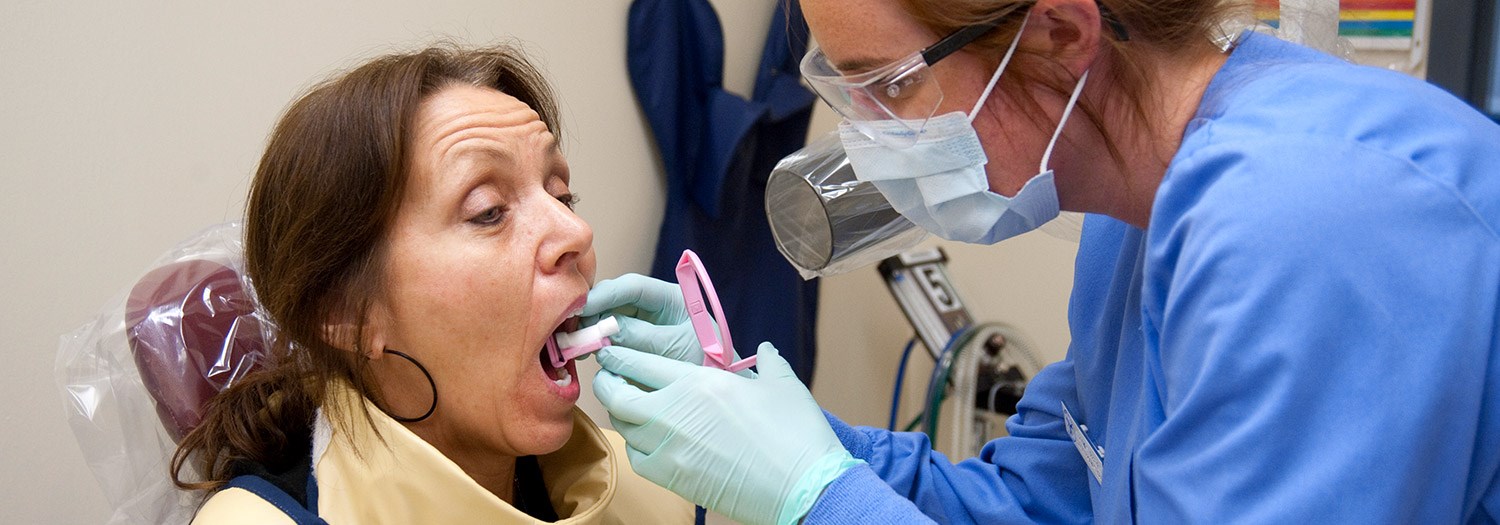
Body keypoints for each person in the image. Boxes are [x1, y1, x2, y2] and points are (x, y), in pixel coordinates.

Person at [584, 0, 1500, 523]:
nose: (868, 144)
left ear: (1060, 32)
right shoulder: (1128, 216)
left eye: (891, 85)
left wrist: (816, 496)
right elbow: (1039, 505)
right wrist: (788, 434)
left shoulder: (1308, 218)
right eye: (847, 93)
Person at [171, 44, 694, 524]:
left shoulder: (651, 486)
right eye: (488, 212)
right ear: (347, 313)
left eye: (561, 195)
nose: (576, 233)